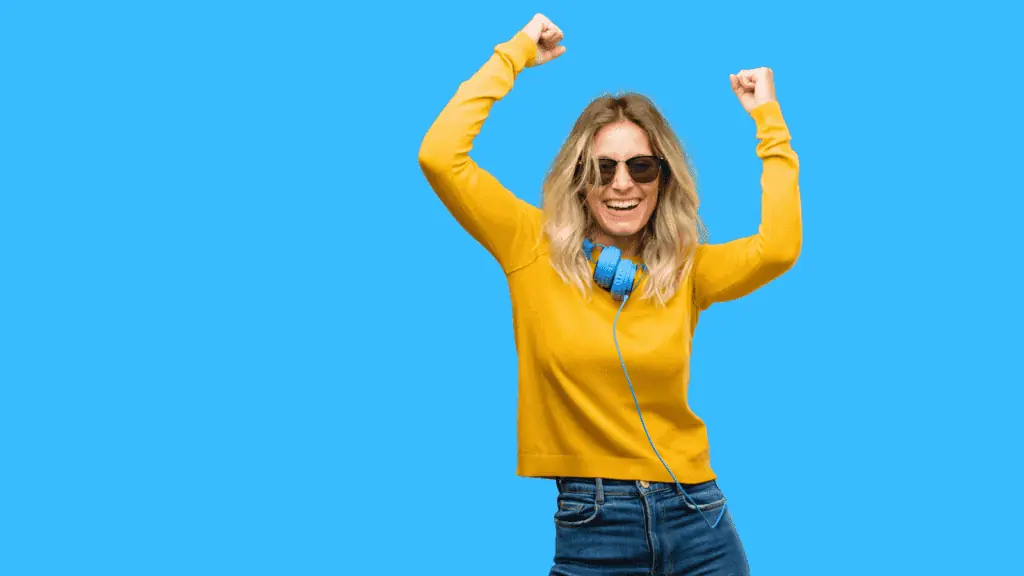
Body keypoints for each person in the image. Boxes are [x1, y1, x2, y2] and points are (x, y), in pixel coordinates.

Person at [418, 12, 801, 576]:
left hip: (699, 512)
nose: (622, 184)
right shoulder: (530, 244)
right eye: (603, 168)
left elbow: (779, 247)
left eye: (641, 167)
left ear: (662, 178)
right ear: (581, 177)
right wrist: (516, 54)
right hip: (594, 521)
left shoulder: (683, 270)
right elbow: (440, 154)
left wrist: (768, 121)